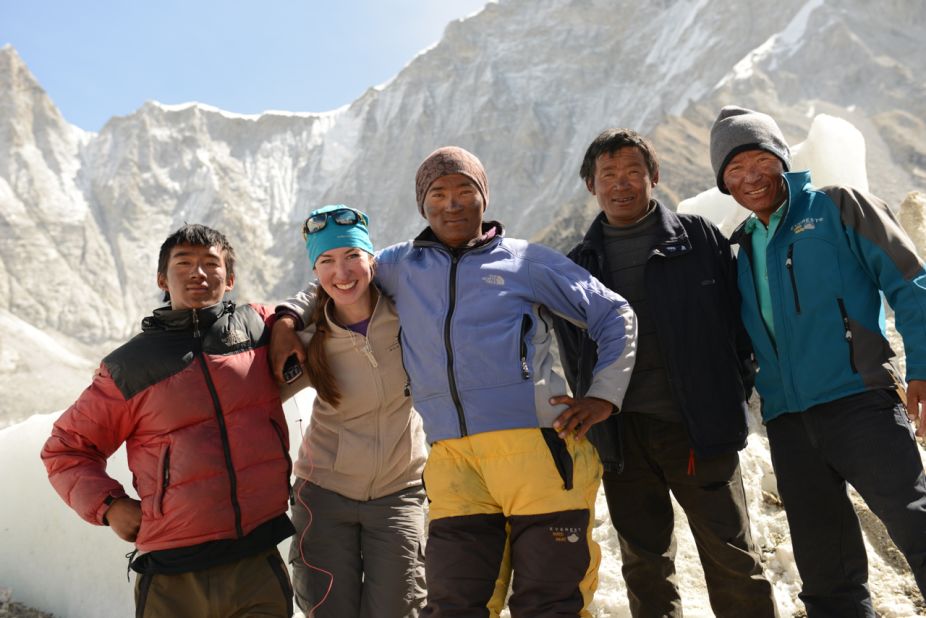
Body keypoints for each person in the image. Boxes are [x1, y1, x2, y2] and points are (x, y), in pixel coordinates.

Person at [273, 146, 637, 617]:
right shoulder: (401, 265)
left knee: (550, 603)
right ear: (422, 205)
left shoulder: (525, 261)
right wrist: (285, 319)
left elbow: (613, 313)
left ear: (484, 197)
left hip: (539, 453)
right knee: (454, 605)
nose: (452, 203)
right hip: (453, 464)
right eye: (438, 193)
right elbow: (341, 272)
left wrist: (604, 396)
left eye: (465, 191)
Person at [710, 105, 926, 617]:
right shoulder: (739, 247)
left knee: (918, 527)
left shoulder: (838, 207)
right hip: (789, 423)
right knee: (826, 570)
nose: (750, 177)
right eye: (734, 170)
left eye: (759, 160)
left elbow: (912, 286)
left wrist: (921, 369)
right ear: (724, 183)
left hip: (860, 402)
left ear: (782, 159)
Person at [554, 128, 778, 617]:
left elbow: (737, 328)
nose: (621, 184)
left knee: (732, 556)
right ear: (591, 185)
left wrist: (726, 396)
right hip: (622, 439)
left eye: (633, 171)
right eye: (608, 174)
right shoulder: (578, 266)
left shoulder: (699, 240)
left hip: (698, 430)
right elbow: (573, 355)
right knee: (645, 567)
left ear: (654, 177)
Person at [41, 224, 295, 618]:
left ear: (230, 279)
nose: (199, 273)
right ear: (162, 278)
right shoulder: (130, 367)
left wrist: (287, 323)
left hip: (257, 559)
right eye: (184, 263)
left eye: (211, 263)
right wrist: (109, 505)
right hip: (174, 575)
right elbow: (65, 449)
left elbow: (300, 307)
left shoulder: (256, 329)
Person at [283, 204, 429, 617]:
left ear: (371, 260)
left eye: (351, 256)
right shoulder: (308, 340)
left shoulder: (410, 319)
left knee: (398, 611)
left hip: (399, 493)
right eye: (326, 261)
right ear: (315, 271)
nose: (341, 273)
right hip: (322, 496)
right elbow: (251, 398)